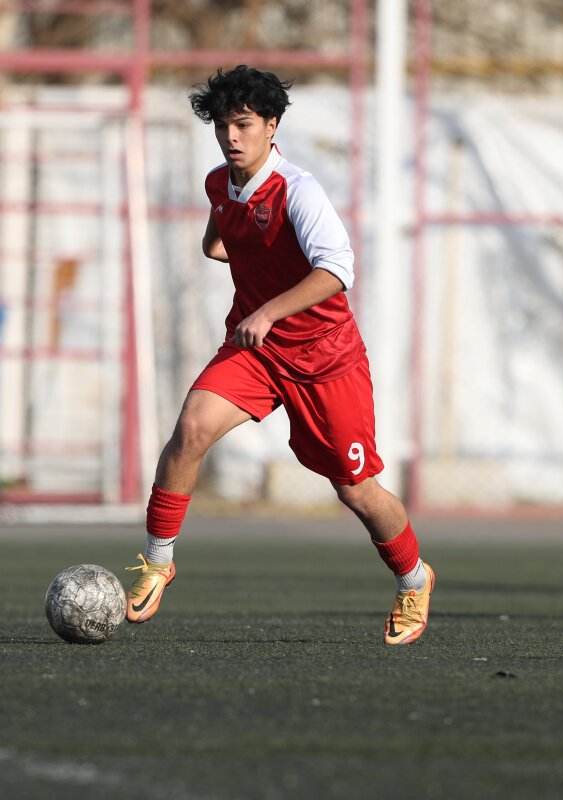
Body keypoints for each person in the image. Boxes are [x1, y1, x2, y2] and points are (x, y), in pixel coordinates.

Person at [124, 65, 434, 645]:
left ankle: (414, 578)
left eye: (243, 124)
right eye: (222, 125)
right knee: (191, 428)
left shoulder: (299, 189)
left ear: (271, 126)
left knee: (355, 490)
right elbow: (219, 241)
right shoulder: (219, 184)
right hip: (257, 352)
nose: (231, 136)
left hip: (325, 358)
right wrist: (237, 259)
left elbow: (338, 269)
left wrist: (268, 310)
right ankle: (158, 560)